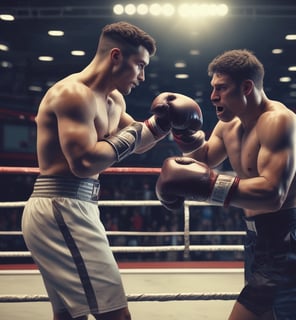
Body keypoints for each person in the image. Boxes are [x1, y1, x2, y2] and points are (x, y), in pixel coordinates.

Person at [21, 21, 203, 320]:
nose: (142, 77)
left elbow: (139, 141)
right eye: (140, 65)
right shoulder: (72, 94)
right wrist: (140, 130)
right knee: (116, 314)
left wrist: (162, 124)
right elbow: (84, 163)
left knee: (69, 316)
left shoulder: (114, 99)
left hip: (75, 207)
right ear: (116, 56)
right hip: (60, 207)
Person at [156, 49, 296, 320]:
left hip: (288, 241)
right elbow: (205, 159)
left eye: (221, 88)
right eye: (213, 88)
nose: (213, 97)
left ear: (246, 87)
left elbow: (272, 194)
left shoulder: (278, 121)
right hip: (258, 240)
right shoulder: (228, 126)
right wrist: (183, 132)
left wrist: (208, 186)